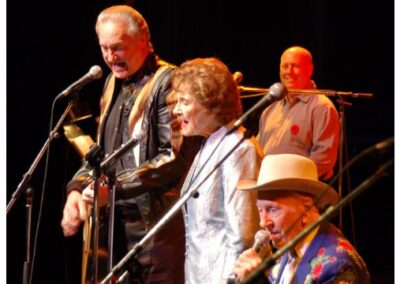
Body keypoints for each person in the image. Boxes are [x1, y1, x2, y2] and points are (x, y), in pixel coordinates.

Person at [60, 5, 201, 283]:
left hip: (157, 229)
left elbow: (171, 158)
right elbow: (100, 154)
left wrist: (111, 189)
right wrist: (77, 189)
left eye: (118, 48)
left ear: (144, 42)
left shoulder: (169, 81)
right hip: (114, 230)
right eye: (104, 48)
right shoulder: (112, 82)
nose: (111, 57)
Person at [169, 57, 262, 283]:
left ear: (212, 104)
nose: (177, 111)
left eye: (185, 102)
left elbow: (243, 235)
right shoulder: (210, 144)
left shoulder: (237, 148)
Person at [233, 153, 370, 283]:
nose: (263, 222)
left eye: (273, 210)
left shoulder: (337, 266)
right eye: (260, 210)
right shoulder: (291, 244)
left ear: (307, 208)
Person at [257, 46, 339, 181]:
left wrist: (290, 181)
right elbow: (258, 153)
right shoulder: (269, 110)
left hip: (300, 193)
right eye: (285, 66)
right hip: (266, 188)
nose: (289, 72)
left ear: (310, 70)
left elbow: (324, 159)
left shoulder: (322, 107)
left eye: (295, 66)